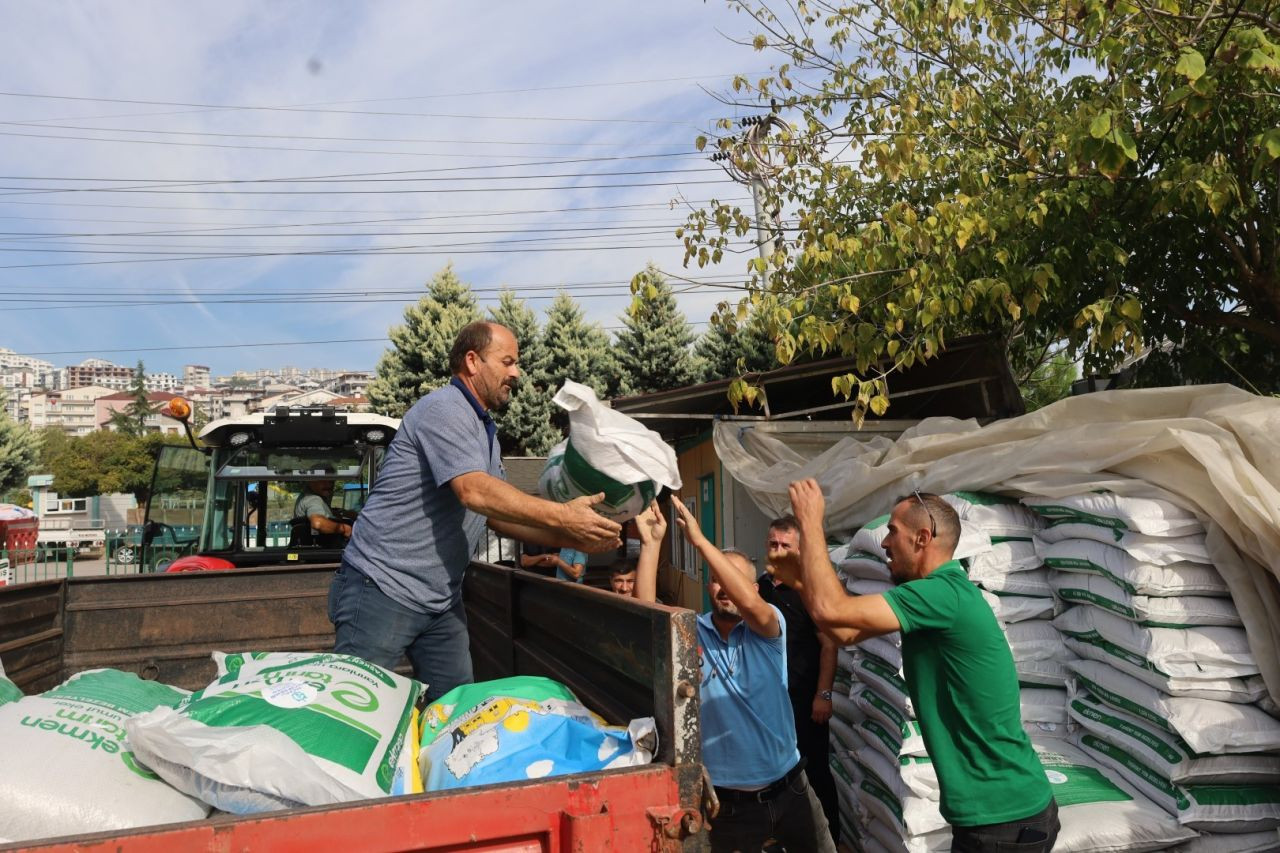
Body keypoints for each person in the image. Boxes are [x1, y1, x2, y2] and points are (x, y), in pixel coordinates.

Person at [330, 321, 621, 701]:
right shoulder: (444, 409)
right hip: (382, 588)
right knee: (354, 711)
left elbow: (497, 514)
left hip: (439, 601)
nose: (515, 373)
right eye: (507, 361)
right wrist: (563, 515)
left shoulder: (484, 430)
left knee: (455, 713)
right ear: (472, 360)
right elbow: (473, 491)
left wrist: (572, 536)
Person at [771, 479, 1059, 853]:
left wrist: (810, 523)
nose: (885, 543)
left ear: (923, 538)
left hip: (1004, 820)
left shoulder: (943, 594)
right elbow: (841, 631)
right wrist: (801, 581)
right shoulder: (934, 597)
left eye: (892, 532)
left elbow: (832, 611)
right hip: (1000, 818)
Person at [655, 499, 833, 853]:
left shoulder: (770, 629)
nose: (724, 588)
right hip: (727, 806)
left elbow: (751, 607)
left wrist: (699, 541)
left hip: (791, 790)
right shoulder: (692, 635)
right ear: (708, 587)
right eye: (717, 580)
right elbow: (648, 616)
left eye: (733, 581)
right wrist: (651, 544)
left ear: (754, 589)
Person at [757, 515, 840, 843]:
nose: (777, 551)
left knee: (813, 773)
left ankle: (828, 838)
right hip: (765, 701)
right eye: (772, 544)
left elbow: (829, 645)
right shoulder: (759, 588)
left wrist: (824, 694)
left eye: (785, 546)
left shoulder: (809, 591)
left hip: (804, 701)